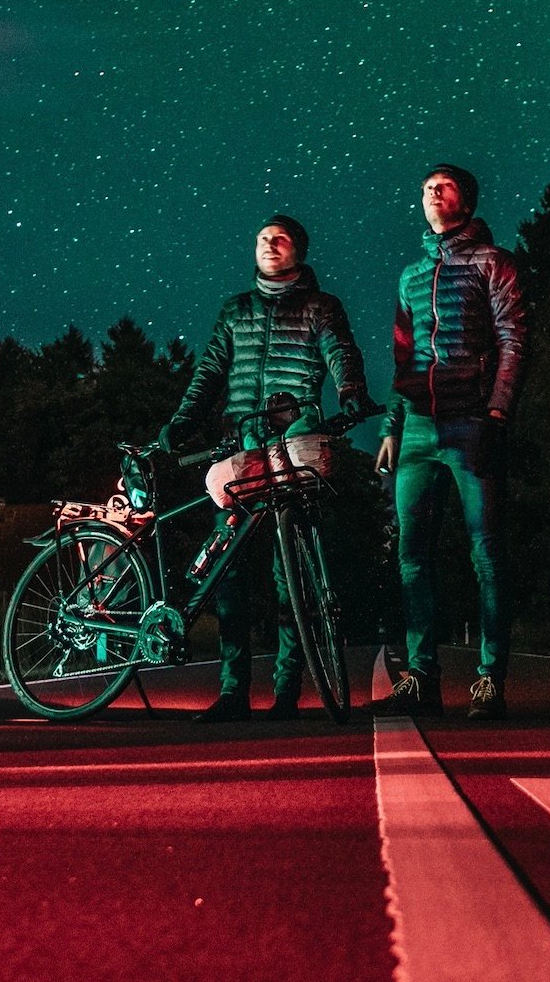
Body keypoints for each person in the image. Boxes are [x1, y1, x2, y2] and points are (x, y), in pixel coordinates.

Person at [159, 214, 376, 721]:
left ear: (299, 249)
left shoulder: (322, 307)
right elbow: (210, 369)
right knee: (227, 571)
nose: (269, 245)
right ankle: (232, 691)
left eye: (279, 239)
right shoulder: (235, 310)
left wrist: (350, 393)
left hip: (292, 441)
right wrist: (182, 420)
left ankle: (286, 693)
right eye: (262, 238)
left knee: (291, 576)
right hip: (241, 445)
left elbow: (341, 352)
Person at [372, 164, 526, 721]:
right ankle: (421, 678)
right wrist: (390, 427)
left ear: (467, 199)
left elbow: (513, 339)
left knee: (486, 553)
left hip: (471, 423)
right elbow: (403, 357)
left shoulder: (494, 263)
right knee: (412, 556)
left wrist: (496, 413)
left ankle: (489, 680)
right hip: (416, 428)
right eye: (425, 188)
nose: (432, 193)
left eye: (444, 186)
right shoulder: (410, 274)